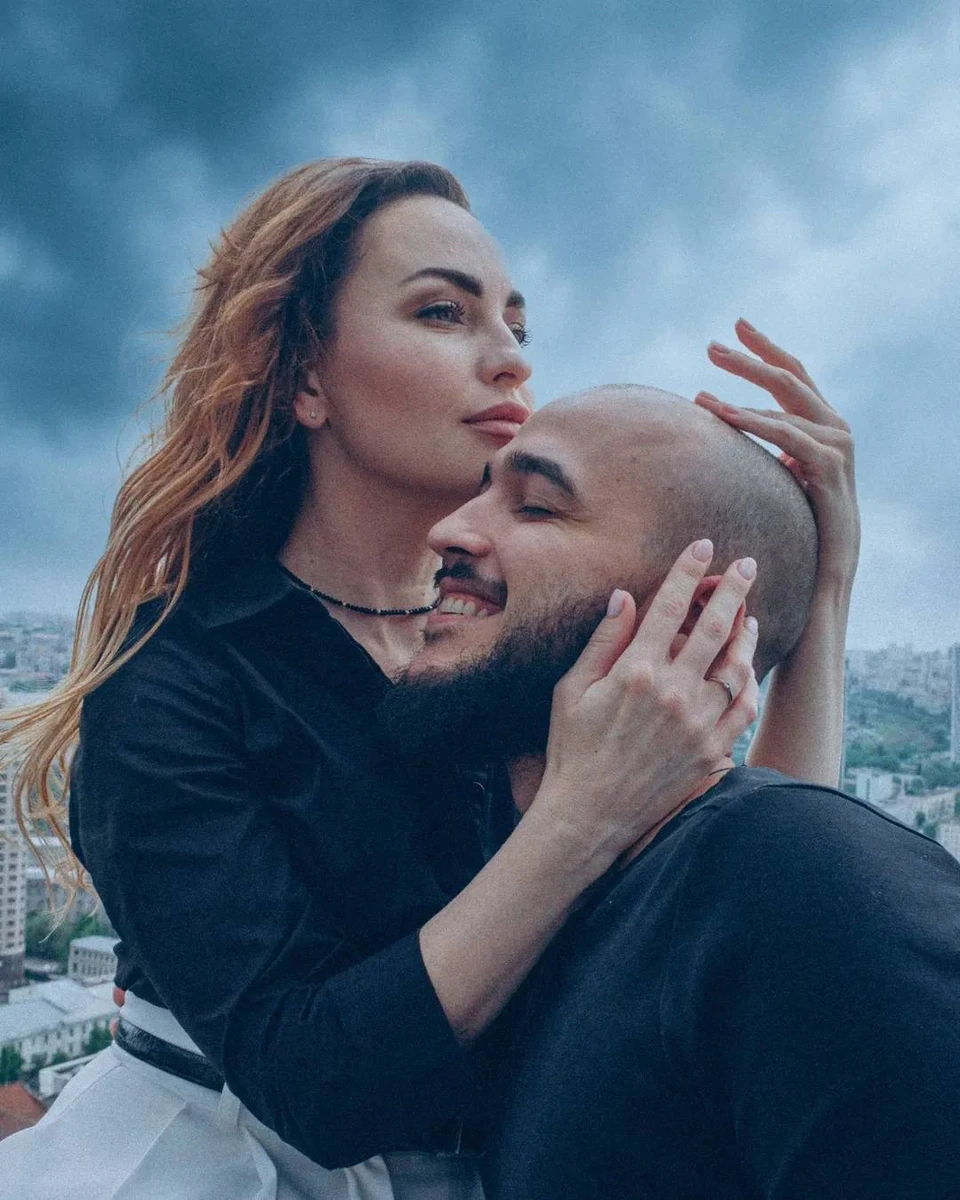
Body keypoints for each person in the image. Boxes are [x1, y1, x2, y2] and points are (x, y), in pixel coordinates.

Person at [0, 159, 856, 1199]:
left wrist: (819, 595)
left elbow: (738, 877)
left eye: (518, 326)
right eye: (443, 312)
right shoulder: (182, 669)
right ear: (304, 378)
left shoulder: (522, 630)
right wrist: (581, 815)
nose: (509, 360)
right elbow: (308, 1079)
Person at [382, 386, 959, 1200]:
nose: (448, 530)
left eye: (536, 505)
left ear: (694, 617)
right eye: (480, 492)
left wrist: (823, 594)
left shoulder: (808, 881)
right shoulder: (536, 910)